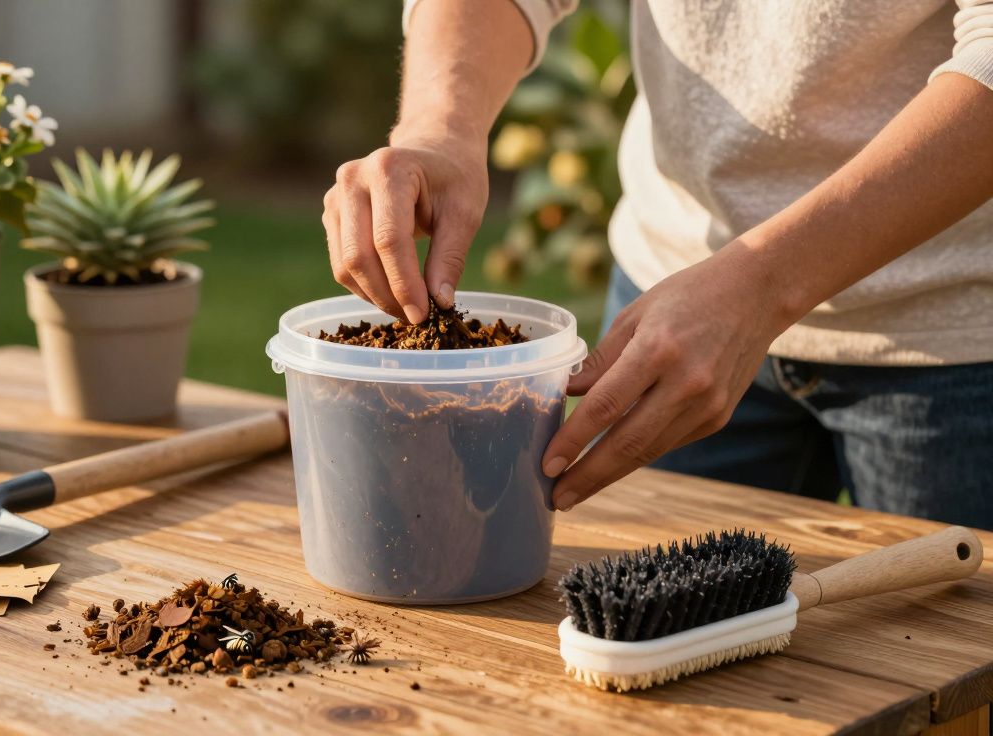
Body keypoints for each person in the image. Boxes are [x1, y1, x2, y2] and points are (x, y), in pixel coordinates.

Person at [322, 0, 993, 527]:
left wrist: (764, 283)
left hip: (952, 333)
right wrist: (439, 127)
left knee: (946, 672)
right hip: (671, 306)